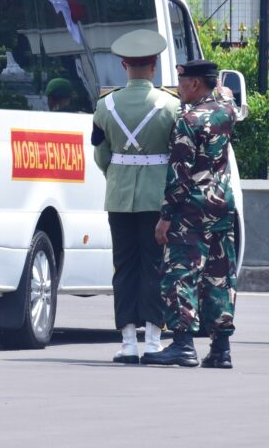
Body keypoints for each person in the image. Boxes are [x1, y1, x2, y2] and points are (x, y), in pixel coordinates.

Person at [91, 29, 179, 364]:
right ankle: (154, 340)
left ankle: (128, 341)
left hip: (118, 196)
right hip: (157, 198)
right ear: (154, 67)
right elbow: (180, 155)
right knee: (155, 266)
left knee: (123, 266)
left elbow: (101, 155)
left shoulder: (105, 106)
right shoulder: (171, 106)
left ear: (124, 65)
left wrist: (117, 176)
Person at [144, 59, 239, 369]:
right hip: (221, 205)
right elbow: (225, 93)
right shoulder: (226, 112)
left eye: (182, 83)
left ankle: (183, 344)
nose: (177, 88)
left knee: (180, 274)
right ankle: (220, 348)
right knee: (219, 276)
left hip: (192, 209)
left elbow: (179, 174)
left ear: (195, 84)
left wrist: (166, 216)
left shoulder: (190, 120)